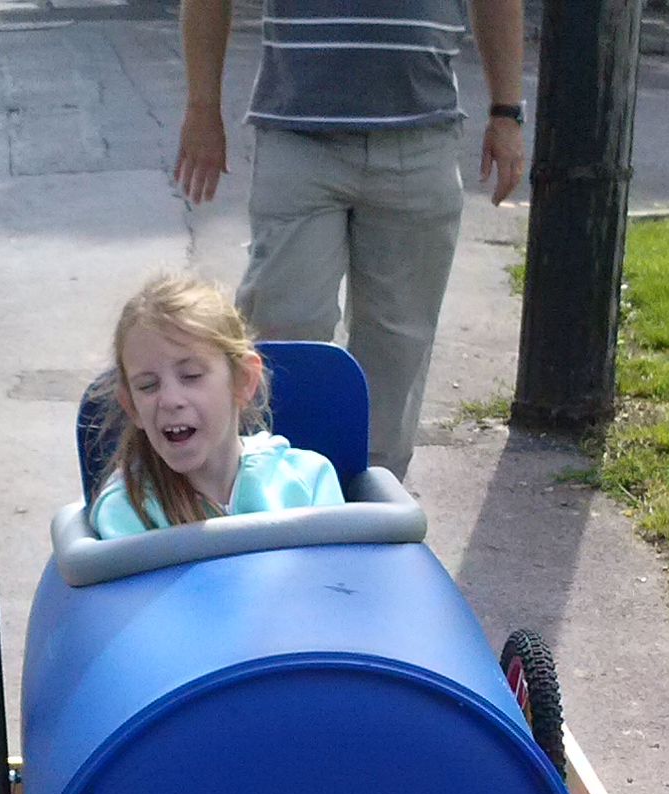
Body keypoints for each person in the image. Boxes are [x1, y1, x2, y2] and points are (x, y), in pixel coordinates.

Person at [174, 0, 526, 481]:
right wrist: (201, 108)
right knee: (283, 327)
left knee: (397, 344)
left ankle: (370, 501)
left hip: (421, 136)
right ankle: (273, 488)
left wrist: (507, 112)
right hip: (298, 138)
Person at [89, 273, 348, 539]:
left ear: (243, 381)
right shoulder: (126, 512)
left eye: (191, 376)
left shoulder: (307, 480)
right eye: (147, 386)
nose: (169, 400)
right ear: (131, 406)